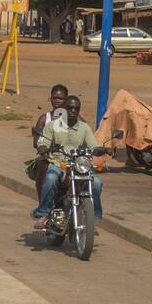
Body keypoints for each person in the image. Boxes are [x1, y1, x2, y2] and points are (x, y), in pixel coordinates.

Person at [34, 95, 106, 227]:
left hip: (78, 165)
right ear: (63, 109)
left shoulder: (84, 128)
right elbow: (43, 142)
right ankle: (43, 213)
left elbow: (93, 146)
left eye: (76, 108)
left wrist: (103, 150)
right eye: (70, 108)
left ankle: (94, 216)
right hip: (58, 163)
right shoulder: (52, 126)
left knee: (96, 183)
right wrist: (43, 147)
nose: (73, 111)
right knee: (50, 179)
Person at [30, 84, 69, 206]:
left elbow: (84, 132)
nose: (57, 101)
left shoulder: (73, 118)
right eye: (54, 98)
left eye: (60, 98)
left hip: (67, 157)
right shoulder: (44, 118)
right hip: (48, 157)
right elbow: (36, 142)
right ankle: (43, 207)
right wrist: (43, 147)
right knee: (43, 170)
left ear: (66, 99)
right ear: (50, 99)